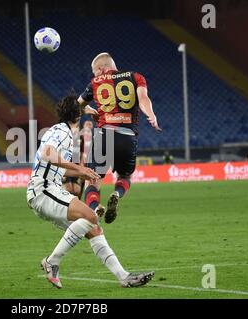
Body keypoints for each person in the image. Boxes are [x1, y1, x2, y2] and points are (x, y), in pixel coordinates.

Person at [26, 93, 154, 288]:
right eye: (81, 110)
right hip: (43, 190)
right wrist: (79, 169)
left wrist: (83, 174)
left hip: (49, 190)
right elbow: (47, 153)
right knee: (91, 216)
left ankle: (124, 277)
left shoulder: (67, 131)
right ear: (76, 115)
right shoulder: (60, 130)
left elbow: (57, 164)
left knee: (93, 228)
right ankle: (52, 262)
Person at [77, 52, 161, 224]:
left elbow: (77, 105)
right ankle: (116, 194)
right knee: (125, 176)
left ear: (101, 69)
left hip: (103, 135)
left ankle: (95, 207)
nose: (95, 76)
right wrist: (151, 115)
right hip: (128, 137)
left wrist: (91, 111)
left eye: (95, 72)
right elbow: (143, 98)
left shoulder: (95, 83)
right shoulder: (135, 77)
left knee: (93, 180)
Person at [61, 115, 95, 199]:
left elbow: (82, 152)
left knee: (76, 190)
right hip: (66, 166)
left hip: (76, 166)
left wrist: (81, 165)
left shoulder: (80, 137)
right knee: (68, 188)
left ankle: (76, 204)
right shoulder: (64, 136)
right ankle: (65, 205)